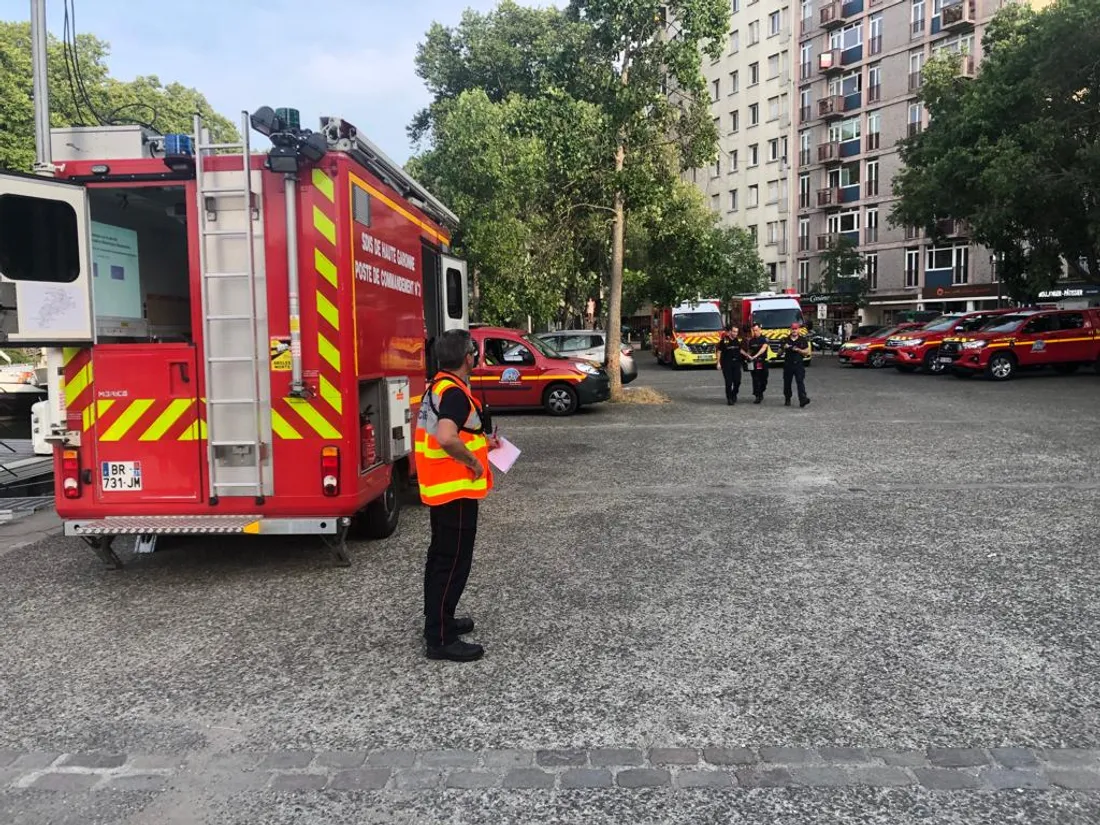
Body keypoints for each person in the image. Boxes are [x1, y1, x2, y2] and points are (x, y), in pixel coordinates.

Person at [413, 330, 500, 663]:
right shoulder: (454, 394)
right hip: (455, 490)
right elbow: (447, 437)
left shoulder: (438, 387)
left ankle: (438, 620)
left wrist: (482, 444)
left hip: (441, 490)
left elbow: (455, 433)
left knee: (440, 558)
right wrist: (475, 461)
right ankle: (440, 639)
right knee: (453, 563)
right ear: (469, 357)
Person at [780, 321, 812, 408]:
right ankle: (787, 398)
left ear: (799, 330)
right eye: (793, 329)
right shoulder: (785, 340)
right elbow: (778, 353)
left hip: (798, 364)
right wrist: (783, 348)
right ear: (790, 329)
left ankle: (803, 399)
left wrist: (798, 350)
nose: (794, 330)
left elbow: (807, 352)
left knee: (800, 382)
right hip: (788, 364)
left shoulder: (802, 340)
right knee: (787, 383)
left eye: (796, 329)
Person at [715, 323, 747, 405]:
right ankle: (729, 398)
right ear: (730, 332)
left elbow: (740, 350)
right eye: (734, 331)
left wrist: (748, 356)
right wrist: (718, 362)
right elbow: (719, 351)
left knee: (737, 382)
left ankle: (734, 394)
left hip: (736, 363)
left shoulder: (739, 340)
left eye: (736, 332)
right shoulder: (724, 341)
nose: (735, 333)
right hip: (727, 364)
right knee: (729, 382)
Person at [747, 322, 771, 404]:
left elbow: (763, 348)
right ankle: (757, 395)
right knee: (755, 379)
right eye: (754, 330)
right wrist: (748, 356)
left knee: (764, 379)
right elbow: (749, 351)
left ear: (760, 330)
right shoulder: (751, 341)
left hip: (762, 361)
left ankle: (761, 390)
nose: (755, 332)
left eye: (756, 330)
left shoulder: (765, 339)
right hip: (754, 362)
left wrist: (756, 355)